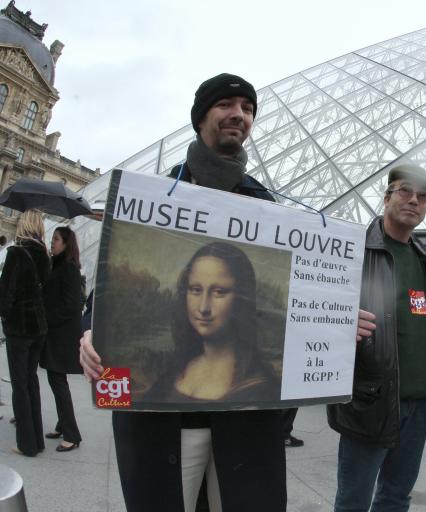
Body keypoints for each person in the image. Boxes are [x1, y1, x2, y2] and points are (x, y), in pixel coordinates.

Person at [79, 74, 288, 511]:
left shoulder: (269, 209)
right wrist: (87, 331)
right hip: (165, 422)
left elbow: (297, 298)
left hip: (246, 422)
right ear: (200, 119)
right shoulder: (153, 197)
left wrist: (342, 320)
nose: (239, 115)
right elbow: (109, 286)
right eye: (226, 105)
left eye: (248, 109)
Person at [327, 164, 426, 512]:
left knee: (396, 497)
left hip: (418, 405)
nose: (414, 201)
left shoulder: (424, 258)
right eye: (405, 191)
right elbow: (315, 308)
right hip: (371, 400)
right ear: (386, 197)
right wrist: (339, 319)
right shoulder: (354, 250)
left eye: (423, 198)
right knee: (354, 500)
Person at [143, 242, 280, 405]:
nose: (203, 307)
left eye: (219, 292)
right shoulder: (175, 370)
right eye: (196, 290)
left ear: (241, 298)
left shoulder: (261, 390)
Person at [0, 209, 50, 456]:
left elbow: (6, 292)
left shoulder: (16, 253)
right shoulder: (45, 254)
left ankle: (26, 444)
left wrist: (4, 314)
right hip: (38, 326)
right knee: (31, 381)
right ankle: (37, 440)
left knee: (19, 384)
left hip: (19, 326)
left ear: (23, 225)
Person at [41, 226, 84, 452]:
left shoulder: (68, 269)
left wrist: (47, 319)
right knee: (56, 381)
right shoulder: (59, 266)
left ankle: (72, 434)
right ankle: (61, 424)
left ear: (66, 243)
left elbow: (71, 305)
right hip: (56, 334)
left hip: (61, 336)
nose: (52, 242)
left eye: (56, 239)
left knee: (58, 383)